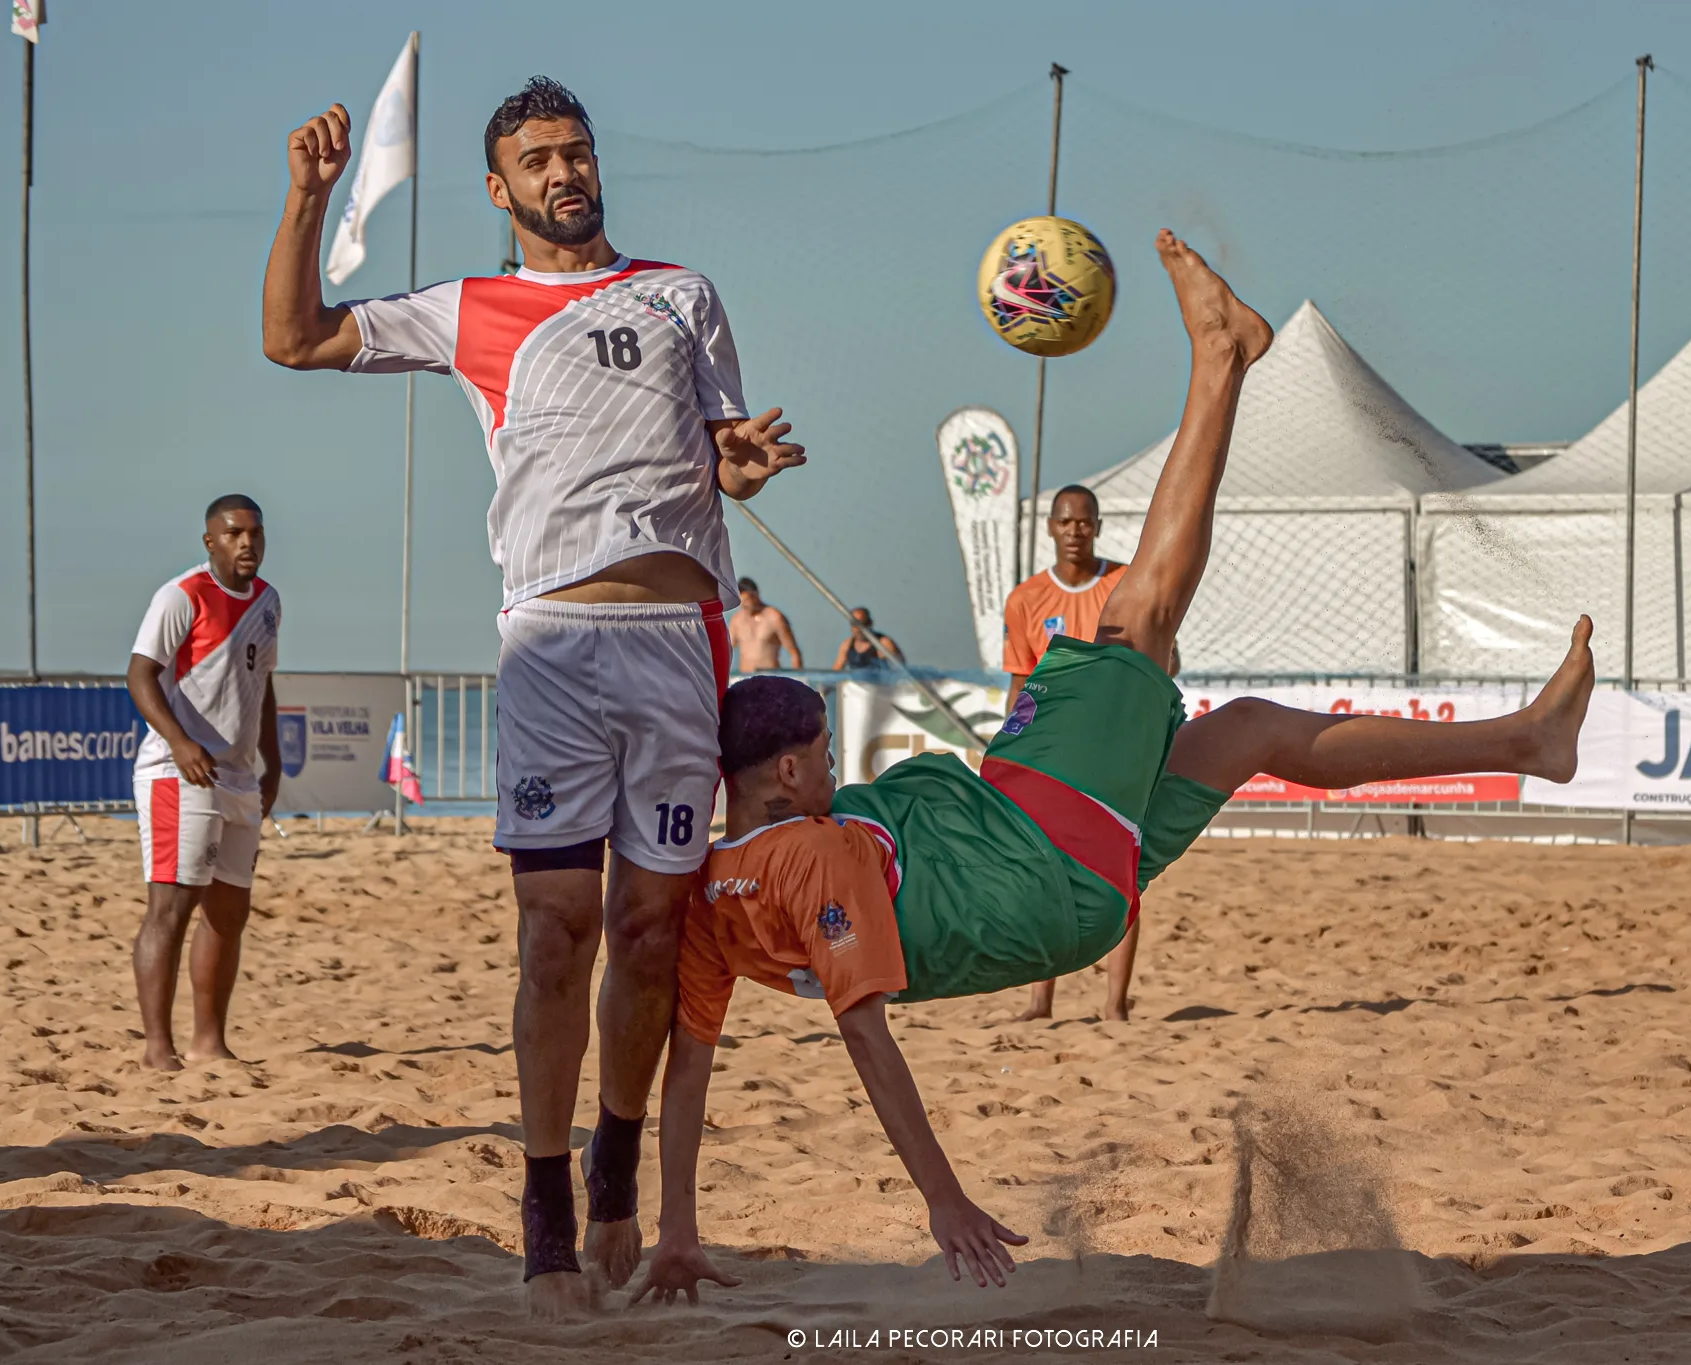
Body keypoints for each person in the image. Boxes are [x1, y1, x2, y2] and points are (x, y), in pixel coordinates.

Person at [636, 232, 1596, 1302]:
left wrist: (673, 1224)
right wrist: (941, 1199)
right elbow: (864, 1036)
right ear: (784, 774)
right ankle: (1219, 355)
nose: (827, 771)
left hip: (1067, 882)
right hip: (1039, 854)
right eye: (819, 758)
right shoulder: (808, 857)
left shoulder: (710, 899)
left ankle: (1523, 743)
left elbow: (688, 1070)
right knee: (1137, 619)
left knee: (1246, 732)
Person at [260, 78, 806, 1313]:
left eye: (577, 151)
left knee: (648, 934)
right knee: (557, 931)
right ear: (499, 191)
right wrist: (306, 197)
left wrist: (745, 467)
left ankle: (620, 1161)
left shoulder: (683, 293)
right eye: (538, 161)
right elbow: (291, 339)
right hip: (553, 649)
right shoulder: (469, 308)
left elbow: (723, 450)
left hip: (678, 640)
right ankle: (549, 1211)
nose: (565, 172)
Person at [127, 495, 282, 1073]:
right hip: (180, 770)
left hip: (240, 776)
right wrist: (179, 742)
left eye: (256, 533)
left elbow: (262, 681)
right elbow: (139, 675)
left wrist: (274, 757)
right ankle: (156, 1049)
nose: (248, 543)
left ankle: (209, 1043)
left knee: (228, 912)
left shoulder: (268, 601)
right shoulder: (180, 595)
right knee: (170, 906)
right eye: (235, 533)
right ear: (211, 541)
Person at [1002, 485, 1137, 1023]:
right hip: (1051, 753)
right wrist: (1010, 748)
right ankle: (1041, 1002)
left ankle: (1115, 1006)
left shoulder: (1125, 583)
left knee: (1122, 873)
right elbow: (1019, 681)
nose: (1075, 531)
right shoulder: (1026, 600)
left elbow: (1161, 655)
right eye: (1065, 522)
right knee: (1046, 873)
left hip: (1114, 747)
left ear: (1098, 526)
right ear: (1052, 528)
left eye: (1084, 522)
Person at [730, 578, 803, 673]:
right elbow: (726, 650)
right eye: (741, 601)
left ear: (756, 595)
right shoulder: (737, 620)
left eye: (747, 600)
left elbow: (794, 653)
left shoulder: (774, 617)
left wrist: (797, 682)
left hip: (770, 678)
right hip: (745, 679)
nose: (744, 605)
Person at [831, 608, 902, 672]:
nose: (858, 629)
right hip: (857, 684)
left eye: (861, 624)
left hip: (879, 684)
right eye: (854, 624)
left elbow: (902, 667)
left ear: (870, 623)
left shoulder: (883, 643)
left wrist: (887, 657)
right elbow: (836, 670)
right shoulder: (847, 645)